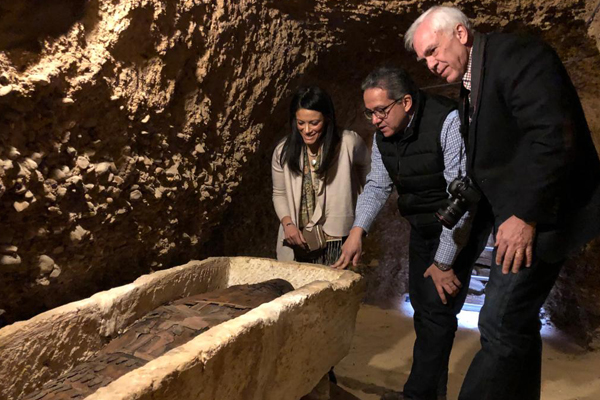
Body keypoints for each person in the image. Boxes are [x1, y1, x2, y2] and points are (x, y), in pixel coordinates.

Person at [406, 6, 600, 400]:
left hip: (544, 214)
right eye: (423, 59)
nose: (430, 64)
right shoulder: (472, 81)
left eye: (432, 51)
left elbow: (555, 138)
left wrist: (525, 214)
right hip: (521, 212)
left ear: (460, 34)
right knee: (518, 326)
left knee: (498, 322)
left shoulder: (518, 58)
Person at [333, 66, 485, 400]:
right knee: (424, 310)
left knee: (436, 314)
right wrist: (358, 230)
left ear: (405, 102)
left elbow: (462, 199)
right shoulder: (384, 135)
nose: (375, 120)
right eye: (369, 113)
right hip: (423, 226)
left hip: (459, 230)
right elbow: (377, 185)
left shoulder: (447, 122)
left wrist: (444, 262)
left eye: (380, 111)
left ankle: (416, 395)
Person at [272, 85, 370, 266]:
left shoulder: (348, 142)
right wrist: (288, 224)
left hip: (338, 240)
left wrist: (357, 198)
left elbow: (369, 172)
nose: (307, 130)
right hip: (298, 239)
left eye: (314, 123)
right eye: (301, 123)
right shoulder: (283, 151)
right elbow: (279, 193)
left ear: (327, 119)